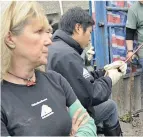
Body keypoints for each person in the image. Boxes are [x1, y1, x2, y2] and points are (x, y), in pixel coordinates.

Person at [1, 1, 96, 136]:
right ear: (10, 38)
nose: (49, 41)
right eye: (39, 31)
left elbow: (88, 124)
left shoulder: (56, 80)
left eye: (47, 31)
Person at [47, 7, 127, 136]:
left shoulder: (58, 47)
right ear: (78, 28)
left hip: (60, 111)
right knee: (110, 106)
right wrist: (110, 79)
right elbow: (91, 95)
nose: (90, 38)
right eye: (89, 32)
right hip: (69, 119)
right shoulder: (67, 55)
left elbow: (82, 78)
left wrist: (104, 71)